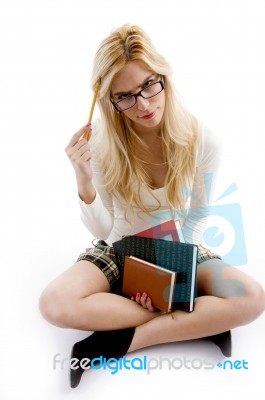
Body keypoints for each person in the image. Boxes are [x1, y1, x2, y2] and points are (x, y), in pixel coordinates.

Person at [39, 24, 265, 388]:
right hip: (120, 247)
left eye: (148, 85)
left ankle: (121, 340)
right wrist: (83, 180)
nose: (143, 104)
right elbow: (103, 230)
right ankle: (194, 322)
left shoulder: (203, 140)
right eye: (125, 96)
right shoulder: (99, 143)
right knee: (54, 304)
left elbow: (199, 214)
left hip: (178, 244)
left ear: (163, 76)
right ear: (109, 101)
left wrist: (176, 272)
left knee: (252, 298)